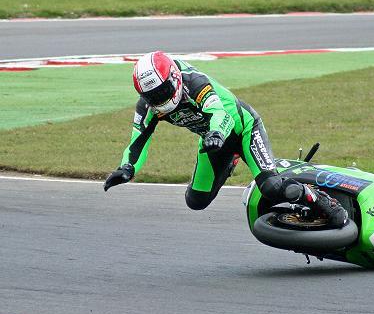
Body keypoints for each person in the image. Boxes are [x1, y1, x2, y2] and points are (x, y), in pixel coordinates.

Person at [103, 51, 347, 227]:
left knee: (271, 187)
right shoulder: (149, 106)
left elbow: (220, 113)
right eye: (151, 97)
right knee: (196, 201)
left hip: (243, 130)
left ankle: (317, 197)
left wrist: (217, 133)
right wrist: (127, 168)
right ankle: (232, 161)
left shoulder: (195, 83)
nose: (159, 101)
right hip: (212, 144)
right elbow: (138, 140)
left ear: (174, 80)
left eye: (162, 92)